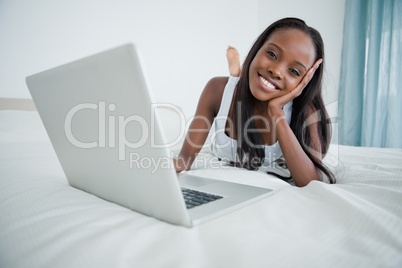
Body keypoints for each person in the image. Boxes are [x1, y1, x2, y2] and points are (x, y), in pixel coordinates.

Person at [173, 17, 335, 187]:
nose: (276, 71)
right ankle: (237, 71)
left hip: (262, 84)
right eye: (272, 54)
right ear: (257, 49)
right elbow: (184, 160)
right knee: (240, 84)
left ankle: (237, 70)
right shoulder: (216, 90)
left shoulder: (306, 109)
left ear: (306, 80)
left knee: (254, 79)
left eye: (294, 71)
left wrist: (277, 112)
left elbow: (311, 182)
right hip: (245, 86)